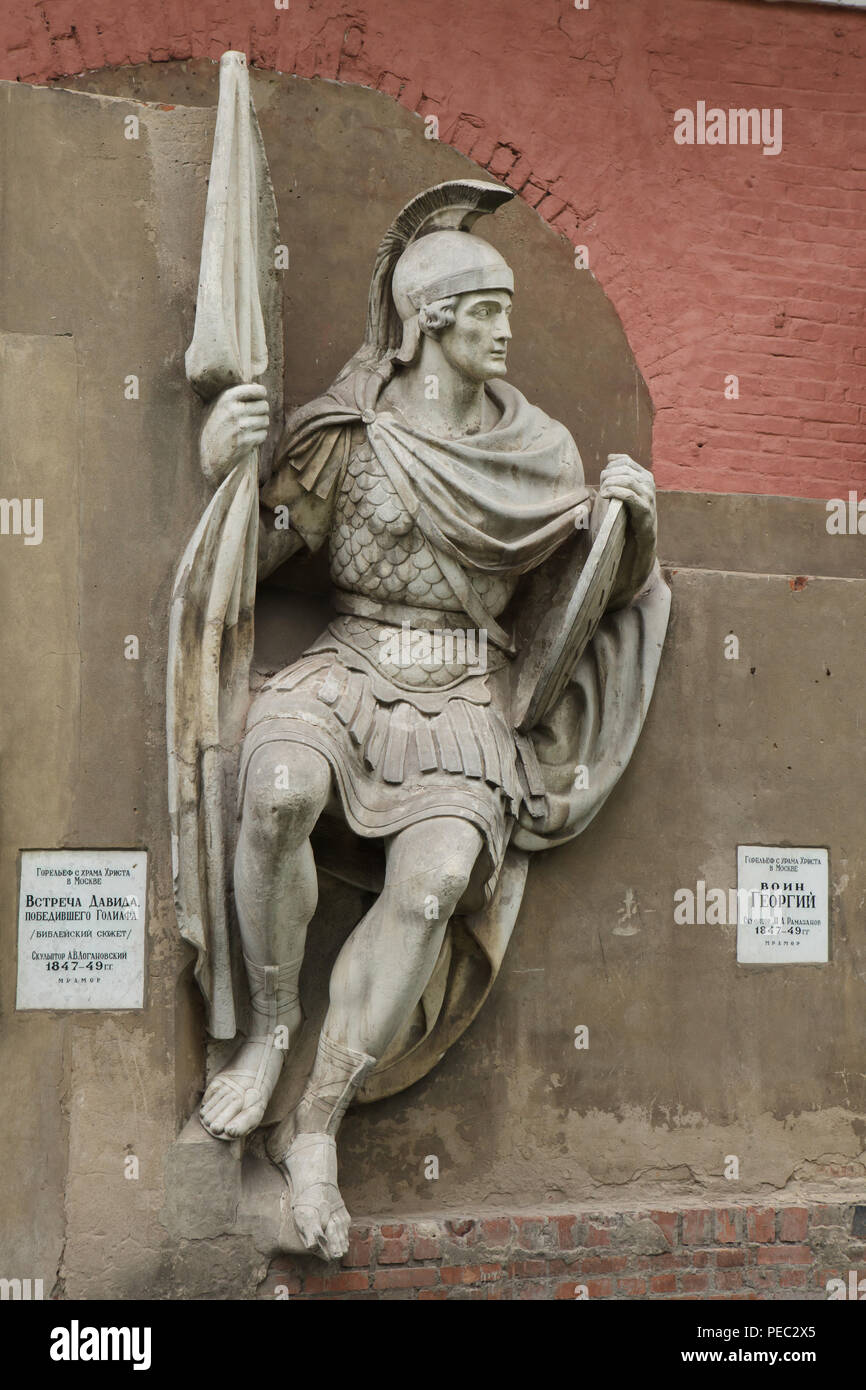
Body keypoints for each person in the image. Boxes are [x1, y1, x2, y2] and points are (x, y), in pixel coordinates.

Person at [193, 182, 663, 1260]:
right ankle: (268, 1031)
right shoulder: (346, 433)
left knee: (439, 880)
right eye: (484, 310)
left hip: (459, 694)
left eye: (505, 309)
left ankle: (316, 1124)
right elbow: (253, 557)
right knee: (276, 794)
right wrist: (223, 462)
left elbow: (587, 580)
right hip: (347, 665)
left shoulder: (535, 449)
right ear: (428, 321)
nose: (506, 329)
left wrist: (629, 520)